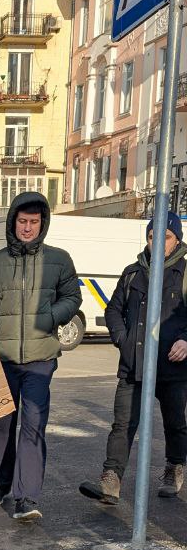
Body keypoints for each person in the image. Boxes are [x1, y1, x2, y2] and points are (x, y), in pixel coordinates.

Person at [0, 191, 81, 521]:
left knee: (33, 426)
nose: (27, 228)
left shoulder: (60, 260)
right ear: (13, 222)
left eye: (34, 222)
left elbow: (72, 297)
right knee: (3, 428)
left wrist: (50, 317)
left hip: (40, 360)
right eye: (22, 221)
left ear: (43, 224)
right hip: (2, 360)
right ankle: (2, 483)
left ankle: (27, 498)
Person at [79, 212, 187, 504]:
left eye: (165, 237)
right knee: (123, 423)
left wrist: (185, 340)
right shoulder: (132, 272)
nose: (158, 243)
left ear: (176, 239)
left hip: (173, 366)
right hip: (134, 363)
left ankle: (174, 468)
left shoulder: (185, 273)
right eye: (153, 237)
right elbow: (113, 309)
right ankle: (111, 481)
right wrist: (122, 339)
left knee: (175, 423)